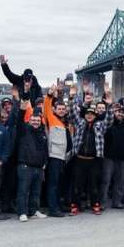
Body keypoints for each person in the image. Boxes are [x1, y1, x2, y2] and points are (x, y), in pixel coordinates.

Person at [67, 88, 115, 215]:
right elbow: (72, 113)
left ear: (95, 115)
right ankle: (75, 205)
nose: (89, 115)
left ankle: (95, 204)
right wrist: (71, 98)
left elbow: (109, 120)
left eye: (92, 114)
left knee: (94, 185)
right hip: (79, 159)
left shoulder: (100, 125)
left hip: (94, 160)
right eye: (87, 113)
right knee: (77, 184)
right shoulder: (80, 123)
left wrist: (109, 105)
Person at [10, 100, 49, 222]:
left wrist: (44, 163)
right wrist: (22, 109)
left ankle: (33, 211)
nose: (36, 122)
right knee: (23, 190)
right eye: (33, 120)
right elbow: (19, 120)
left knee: (36, 191)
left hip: (39, 167)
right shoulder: (23, 130)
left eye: (37, 120)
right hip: (25, 166)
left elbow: (45, 150)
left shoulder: (42, 133)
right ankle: (22, 212)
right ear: (29, 120)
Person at [41, 85, 72, 217]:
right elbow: (46, 108)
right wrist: (49, 95)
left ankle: (58, 205)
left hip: (63, 158)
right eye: (59, 109)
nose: (61, 111)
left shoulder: (65, 123)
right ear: (55, 110)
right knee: (53, 184)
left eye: (63, 109)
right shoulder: (52, 119)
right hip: (54, 156)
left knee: (59, 183)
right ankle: (53, 209)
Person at [100, 101, 124, 210]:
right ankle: (102, 202)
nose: (120, 114)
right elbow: (104, 116)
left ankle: (117, 202)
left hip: (122, 158)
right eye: (118, 112)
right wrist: (109, 106)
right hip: (109, 157)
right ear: (113, 113)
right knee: (105, 181)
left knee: (120, 181)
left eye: (122, 113)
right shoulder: (108, 124)